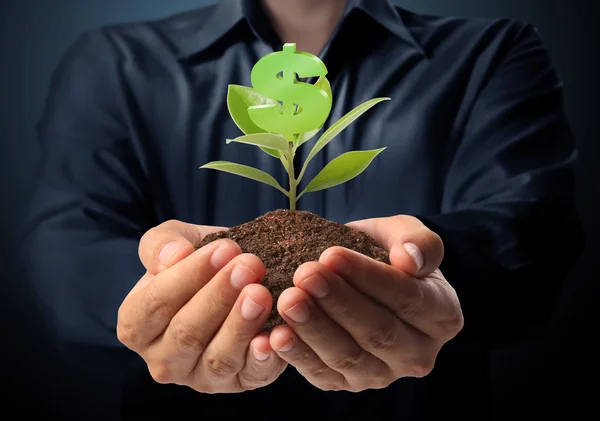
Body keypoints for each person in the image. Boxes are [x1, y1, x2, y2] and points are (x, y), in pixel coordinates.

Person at [21, 0, 582, 418]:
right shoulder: (117, 61)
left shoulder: (490, 53)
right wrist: (170, 287)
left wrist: (418, 271)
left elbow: (532, 229)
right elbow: (65, 247)